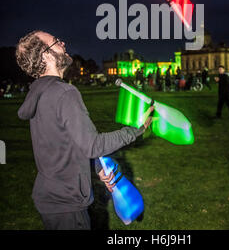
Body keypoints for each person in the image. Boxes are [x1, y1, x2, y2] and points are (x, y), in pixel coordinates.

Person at [15, 30, 153, 230]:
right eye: (55, 41)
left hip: (52, 198)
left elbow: (65, 143)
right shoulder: (64, 92)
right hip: (67, 203)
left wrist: (97, 167)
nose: (62, 42)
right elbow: (93, 145)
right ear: (46, 55)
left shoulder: (40, 92)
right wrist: (137, 128)